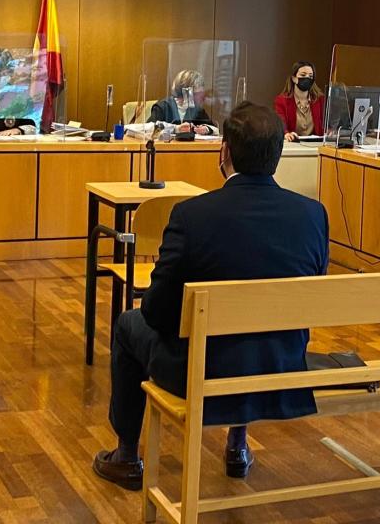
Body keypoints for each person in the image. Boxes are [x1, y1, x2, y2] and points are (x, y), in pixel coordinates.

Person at [93, 101, 329, 490]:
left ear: (225, 152)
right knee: (253, 329)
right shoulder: (312, 215)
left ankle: (126, 455)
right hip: (280, 364)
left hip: (204, 367)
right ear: (278, 155)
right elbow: (310, 297)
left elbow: (156, 311)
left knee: (127, 323)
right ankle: (237, 444)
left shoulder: (192, 216)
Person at [148, 69, 216, 135]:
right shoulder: (163, 107)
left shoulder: (197, 110)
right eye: (198, 93)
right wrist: (176, 129)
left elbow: (215, 129)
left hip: (190, 146)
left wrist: (206, 129)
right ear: (186, 92)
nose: (202, 97)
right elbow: (147, 129)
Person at [274, 61, 325, 141]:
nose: (307, 78)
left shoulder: (320, 100)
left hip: (315, 145)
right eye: (303, 75)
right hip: (293, 144)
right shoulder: (282, 100)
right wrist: (287, 133)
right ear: (294, 78)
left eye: (310, 76)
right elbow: (281, 124)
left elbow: (325, 125)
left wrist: (330, 131)